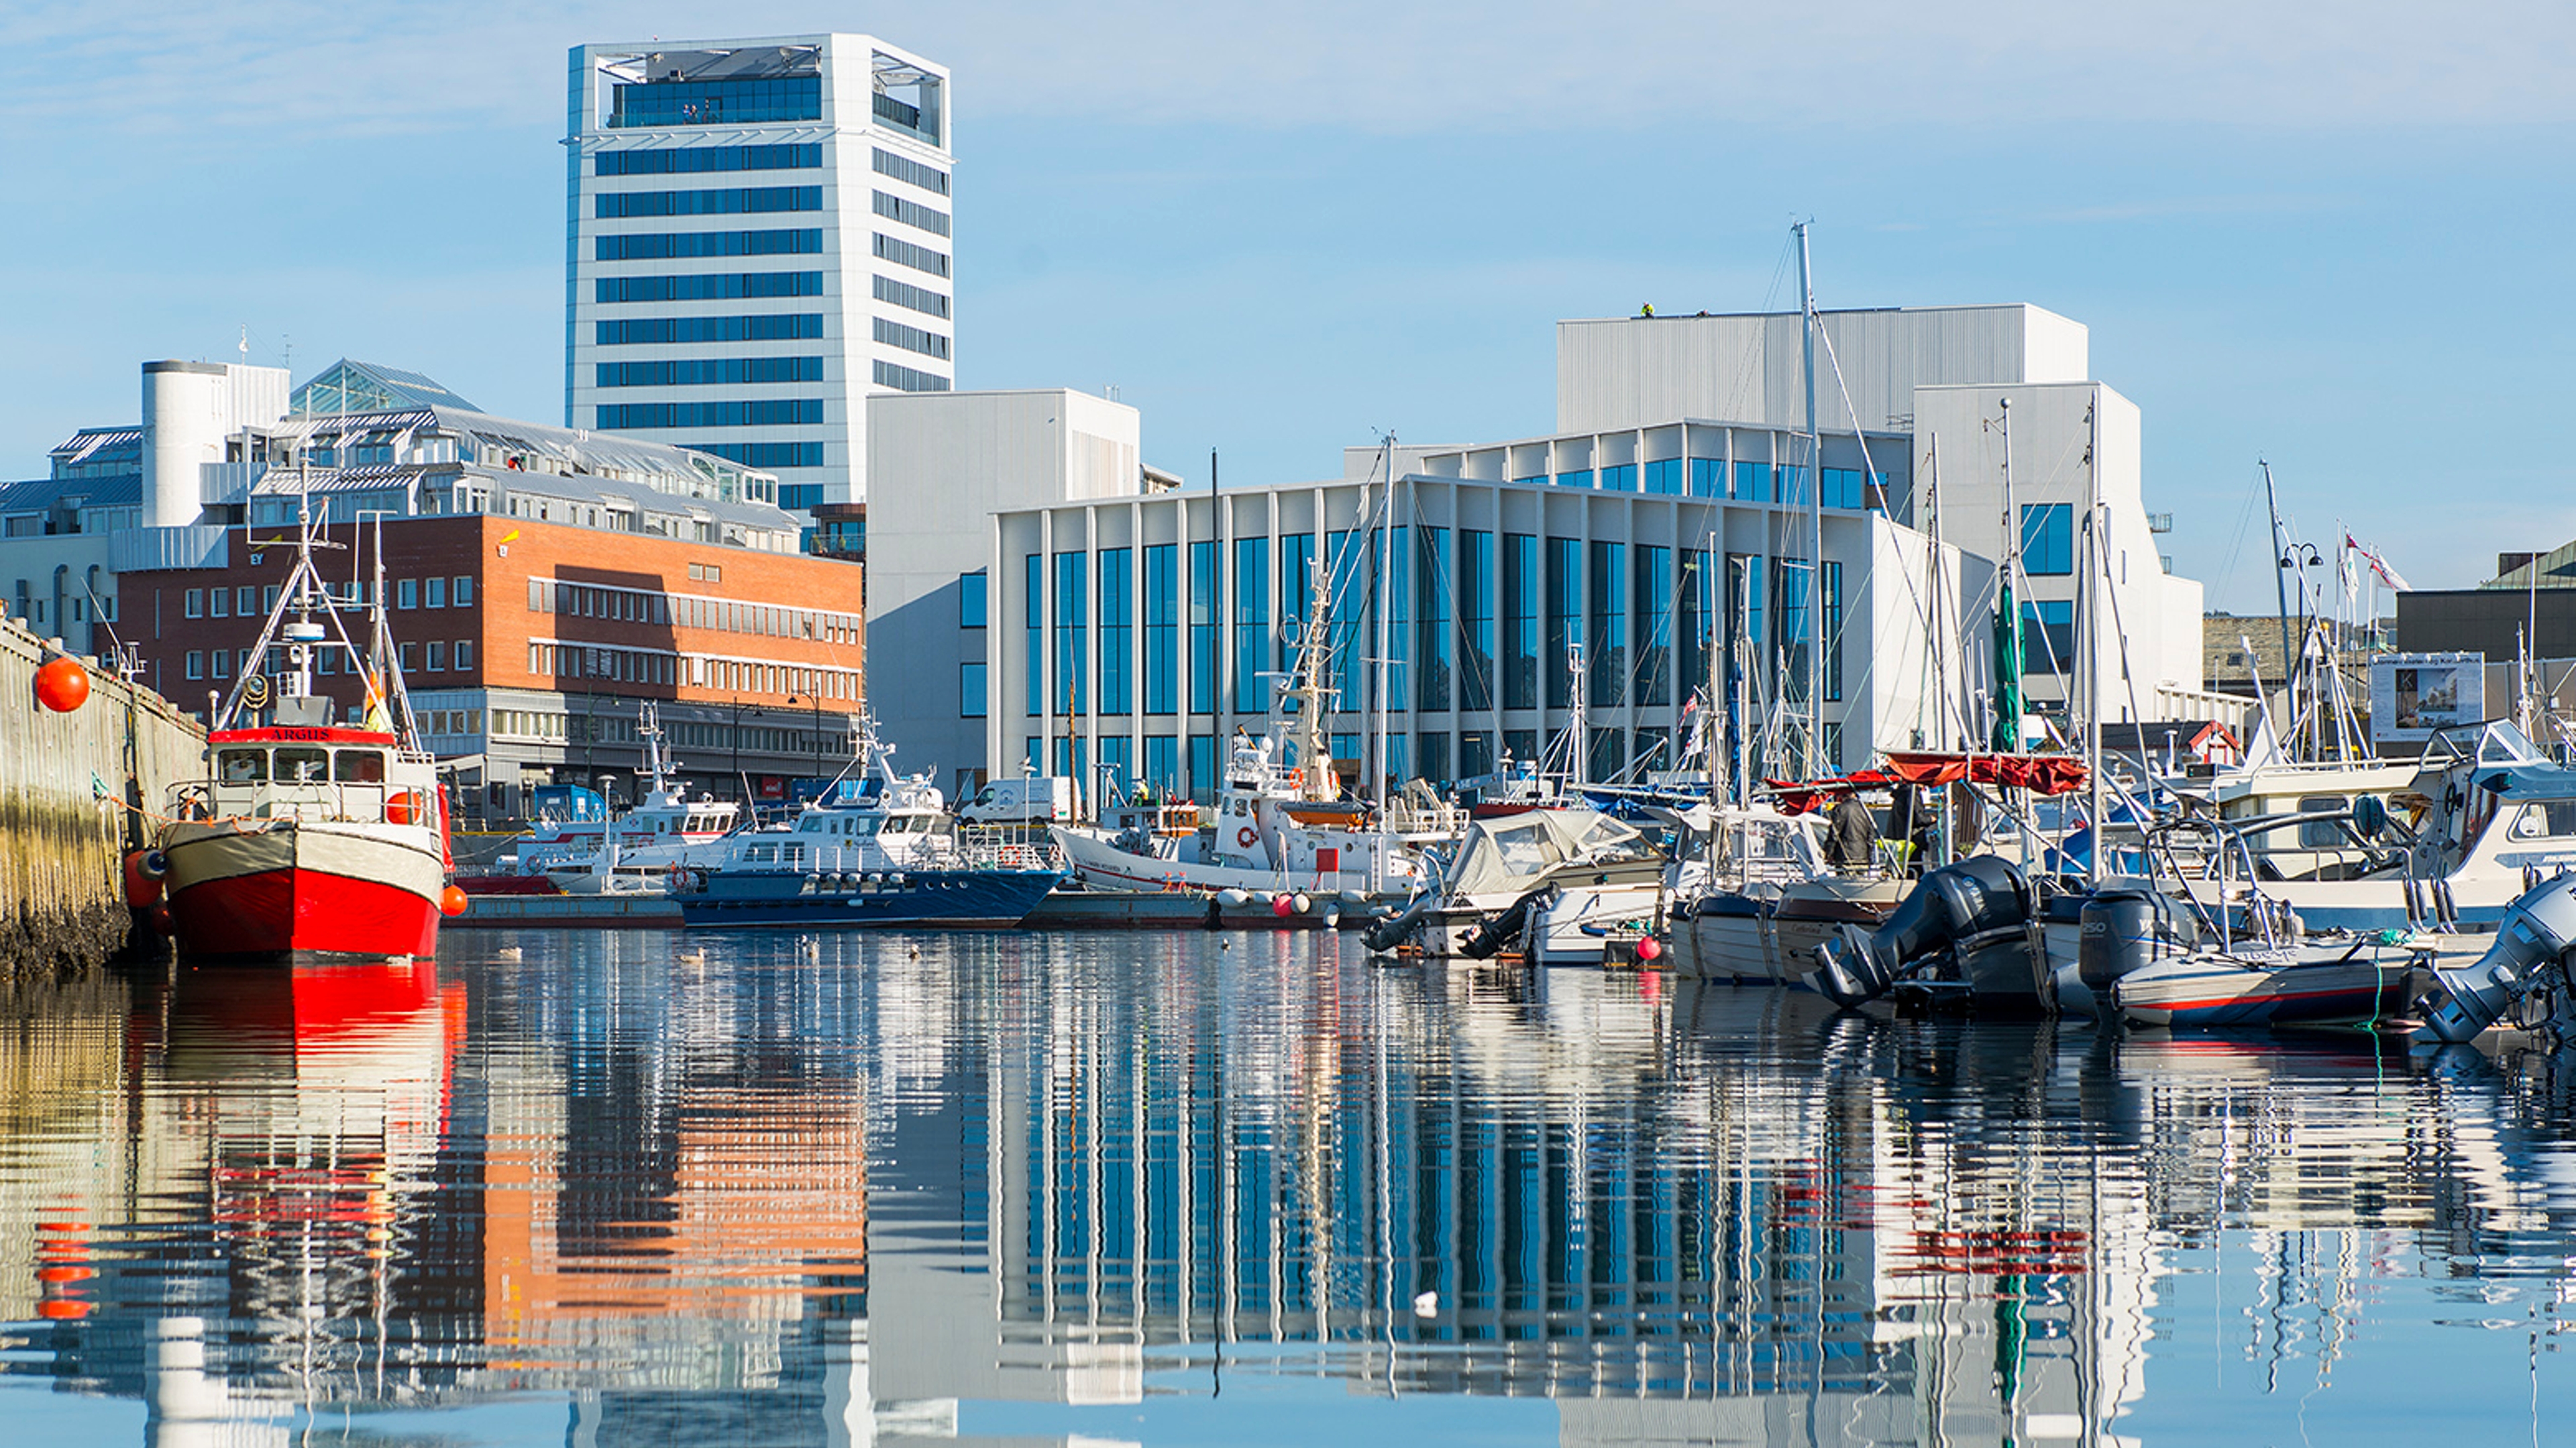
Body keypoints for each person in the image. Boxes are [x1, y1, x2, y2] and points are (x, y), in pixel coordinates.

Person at [1826, 794, 1878, 872]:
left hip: (1845, 857)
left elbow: (1834, 834)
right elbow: (1871, 836)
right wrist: (1869, 855)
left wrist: (1829, 854)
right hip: (1863, 857)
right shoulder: (1865, 810)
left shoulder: (1840, 809)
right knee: (1860, 883)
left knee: (1843, 881)